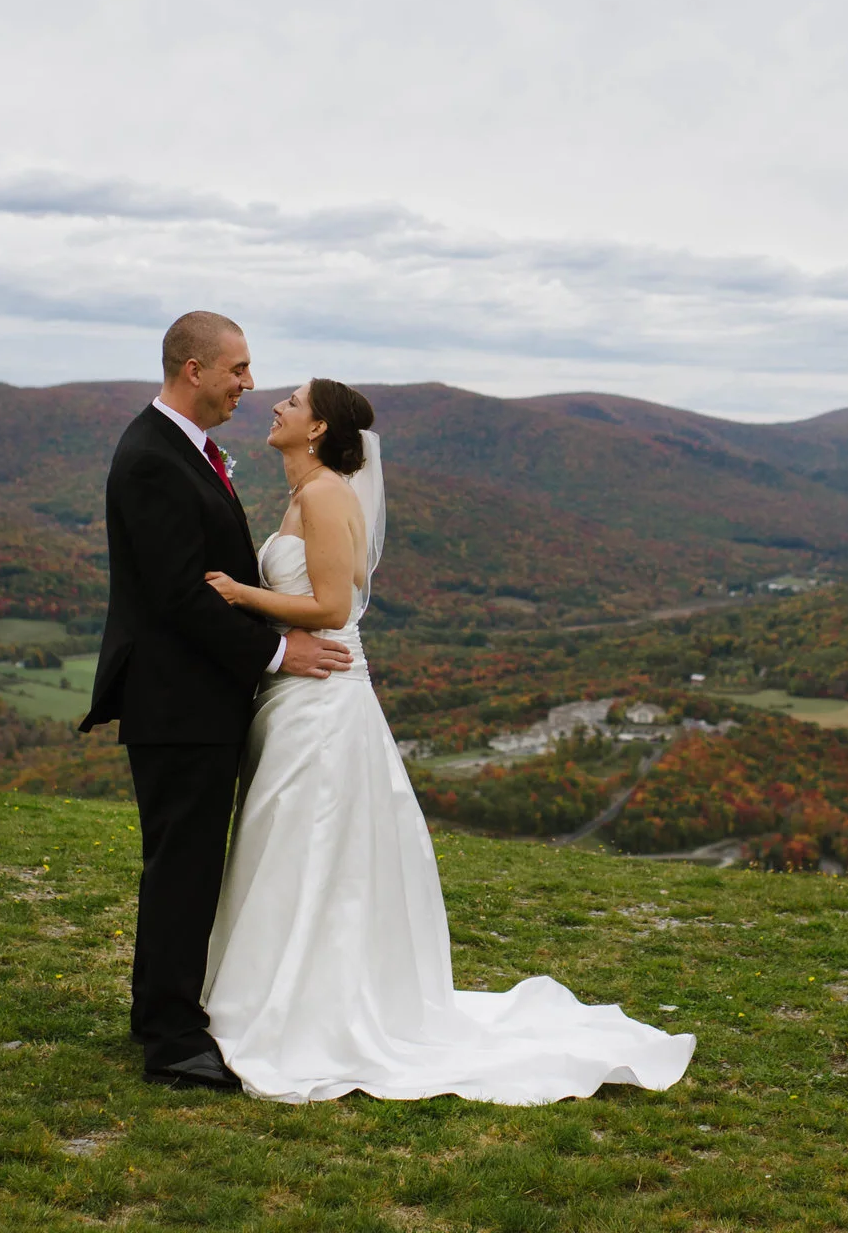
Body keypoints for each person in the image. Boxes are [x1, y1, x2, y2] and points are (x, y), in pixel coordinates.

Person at [195, 375, 694, 1103]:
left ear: (317, 429)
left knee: (307, 845)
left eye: (293, 403)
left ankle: (304, 1011)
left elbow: (333, 605)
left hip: (322, 699)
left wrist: (239, 596)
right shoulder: (308, 495)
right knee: (289, 848)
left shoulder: (328, 495)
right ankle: (272, 994)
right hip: (296, 693)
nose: (275, 404)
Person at [79, 311, 351, 1090]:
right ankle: (171, 1038)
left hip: (202, 699)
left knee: (190, 864)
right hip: (178, 704)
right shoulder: (150, 459)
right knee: (183, 867)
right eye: (237, 369)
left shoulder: (184, 451)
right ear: (192, 370)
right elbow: (175, 597)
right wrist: (278, 650)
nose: (249, 383)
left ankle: (161, 1011)